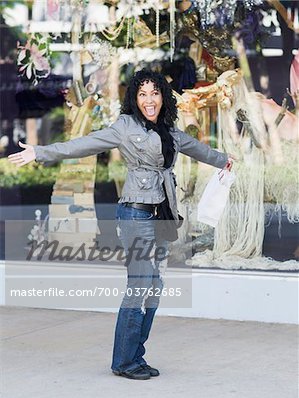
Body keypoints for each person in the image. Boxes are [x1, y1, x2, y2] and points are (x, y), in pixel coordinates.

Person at [8, 69, 234, 380]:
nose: (149, 100)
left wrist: (224, 160)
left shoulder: (169, 128)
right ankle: (124, 361)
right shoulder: (124, 127)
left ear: (162, 97)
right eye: (142, 94)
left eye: (154, 93)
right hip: (136, 215)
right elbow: (84, 144)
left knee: (154, 288)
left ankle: (135, 353)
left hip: (163, 213)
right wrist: (40, 152)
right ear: (135, 99)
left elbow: (193, 146)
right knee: (138, 286)